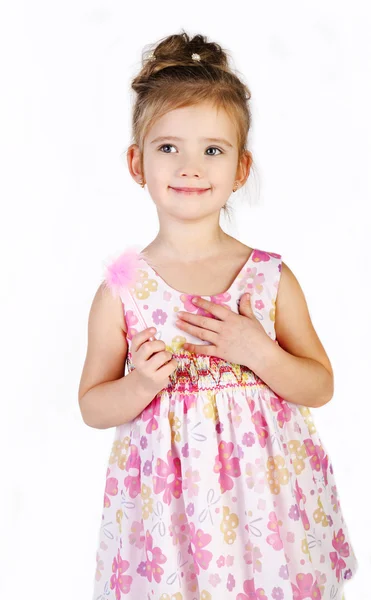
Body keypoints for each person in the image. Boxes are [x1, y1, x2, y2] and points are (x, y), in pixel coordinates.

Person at [78, 31, 358, 600]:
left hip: (267, 502)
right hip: (169, 509)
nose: (189, 166)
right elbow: (91, 404)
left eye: (212, 149)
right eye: (167, 148)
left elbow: (320, 384)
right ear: (137, 162)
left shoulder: (269, 277)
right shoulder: (123, 290)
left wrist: (259, 352)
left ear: (241, 166)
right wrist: (140, 383)